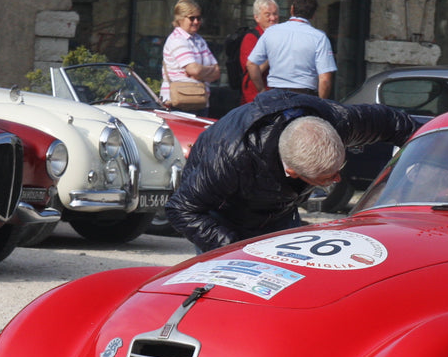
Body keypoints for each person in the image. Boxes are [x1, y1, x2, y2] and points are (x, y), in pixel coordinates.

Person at [165, 90, 418, 253]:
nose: (338, 178)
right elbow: (181, 209)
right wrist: (234, 249)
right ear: (292, 171)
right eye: (327, 177)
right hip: (220, 216)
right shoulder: (230, 158)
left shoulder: (337, 122)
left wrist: (439, 147)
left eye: (339, 168)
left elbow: (392, 122)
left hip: (278, 209)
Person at [246, 0, 336, 98]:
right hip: (305, 97)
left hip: (275, 95)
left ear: (292, 9)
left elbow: (251, 64)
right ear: (313, 15)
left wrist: (261, 89)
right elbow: (325, 79)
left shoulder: (271, 32)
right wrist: (320, 105)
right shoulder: (319, 37)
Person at [159, 0, 220, 111]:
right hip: (177, 102)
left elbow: (216, 72)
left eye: (199, 18)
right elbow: (193, 69)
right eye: (192, 18)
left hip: (200, 101)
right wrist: (205, 71)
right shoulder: (177, 39)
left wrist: (198, 73)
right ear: (180, 19)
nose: (196, 22)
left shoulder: (199, 40)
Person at [236, 0, 280, 104]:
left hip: (277, 95)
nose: (273, 18)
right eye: (268, 15)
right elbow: (254, 69)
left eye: (275, 14)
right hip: (256, 98)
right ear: (257, 18)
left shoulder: (280, 36)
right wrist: (272, 55)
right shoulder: (251, 38)